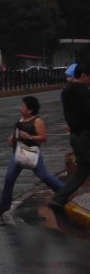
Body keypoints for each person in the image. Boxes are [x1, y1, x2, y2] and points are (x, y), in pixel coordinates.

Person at [0, 96, 63, 216]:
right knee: (9, 178)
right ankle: (4, 207)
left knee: (44, 175)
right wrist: (12, 138)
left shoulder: (37, 121)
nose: (20, 108)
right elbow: (17, 133)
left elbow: (44, 138)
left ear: (30, 110)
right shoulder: (21, 119)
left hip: (32, 153)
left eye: (23, 106)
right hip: (17, 153)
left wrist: (30, 137)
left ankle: (63, 191)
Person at [48, 61, 90, 212]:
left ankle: (59, 198)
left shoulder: (67, 91)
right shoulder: (83, 92)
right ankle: (59, 198)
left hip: (75, 135)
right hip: (85, 135)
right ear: (84, 75)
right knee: (83, 170)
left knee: (82, 170)